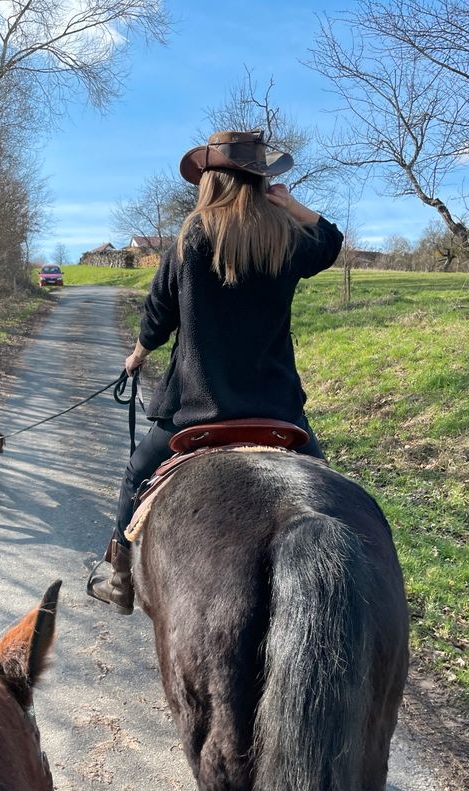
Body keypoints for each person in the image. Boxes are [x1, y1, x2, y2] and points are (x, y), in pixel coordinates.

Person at [87, 130, 344, 615]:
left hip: (195, 412)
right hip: (276, 411)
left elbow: (159, 315)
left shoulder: (191, 236)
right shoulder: (285, 238)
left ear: (211, 180)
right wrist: (291, 206)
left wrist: (138, 353)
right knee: (326, 487)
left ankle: (119, 578)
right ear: (260, 182)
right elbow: (329, 243)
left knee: (137, 472)